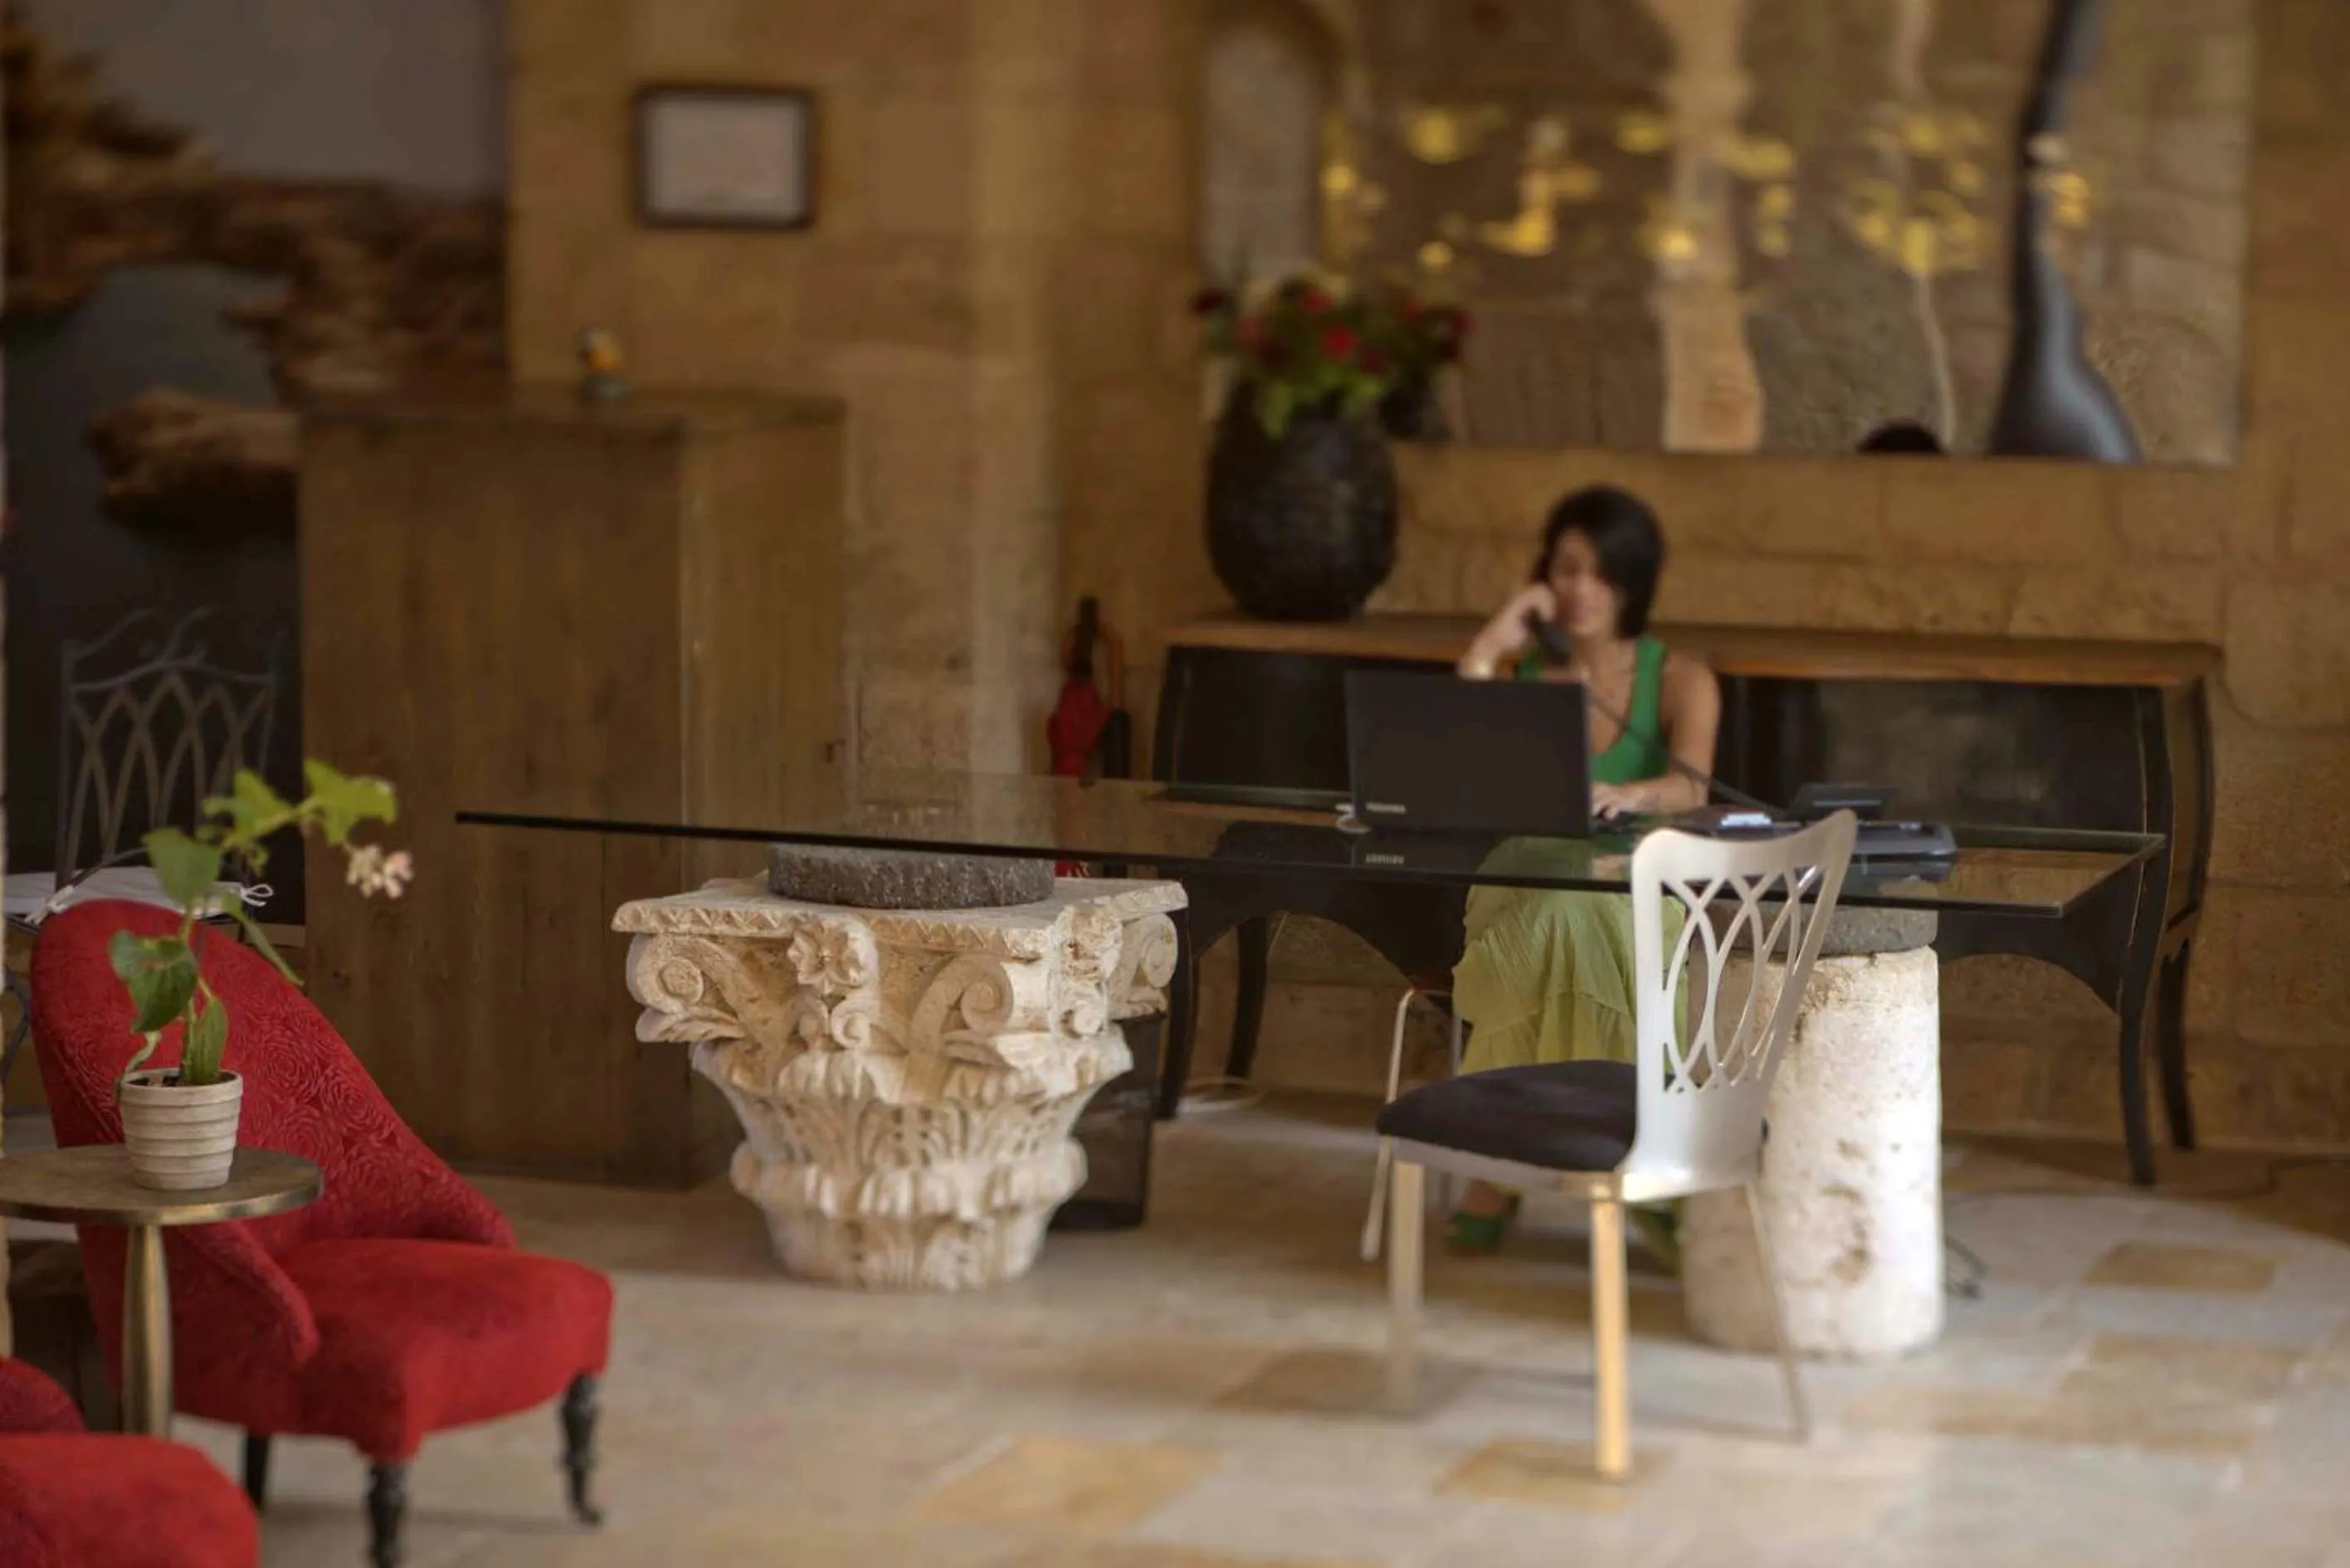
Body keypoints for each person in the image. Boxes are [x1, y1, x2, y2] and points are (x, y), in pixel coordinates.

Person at [1446, 484, 1721, 1259]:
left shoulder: (1681, 678)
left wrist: (1631, 792)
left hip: (1639, 874)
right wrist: (1492, 644)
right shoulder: (1528, 673)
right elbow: (1455, 751)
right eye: (1565, 569)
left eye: (1600, 573)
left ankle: (1493, 1170)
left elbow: (1693, 786)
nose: (1579, 590)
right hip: (1529, 870)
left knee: (1582, 918)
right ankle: (1633, 1155)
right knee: (1555, 913)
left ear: (1632, 584)